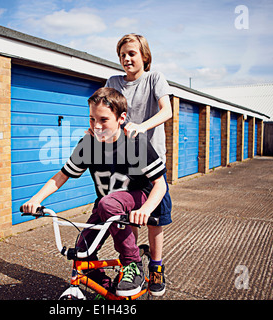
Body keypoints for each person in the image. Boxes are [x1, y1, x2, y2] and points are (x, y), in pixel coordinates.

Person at [21, 87, 167, 297]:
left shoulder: (136, 142)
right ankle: (106, 285)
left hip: (136, 198)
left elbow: (160, 184)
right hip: (107, 204)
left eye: (104, 120)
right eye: (92, 119)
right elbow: (62, 175)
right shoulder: (88, 145)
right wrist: (35, 200)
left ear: (121, 118)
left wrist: (145, 209)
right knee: (82, 251)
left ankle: (132, 264)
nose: (97, 126)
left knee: (107, 203)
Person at [105, 34, 173, 296]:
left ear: (144, 56)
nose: (126, 59)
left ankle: (156, 266)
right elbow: (104, 110)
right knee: (126, 217)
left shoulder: (155, 78)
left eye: (132, 53)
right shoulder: (113, 82)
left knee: (155, 218)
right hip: (123, 164)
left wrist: (141, 127)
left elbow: (166, 111)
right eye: (122, 54)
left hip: (152, 162)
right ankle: (132, 264)